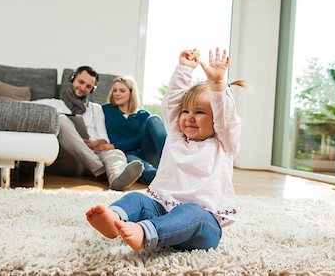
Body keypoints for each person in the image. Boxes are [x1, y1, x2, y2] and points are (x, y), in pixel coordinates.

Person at [86, 47, 246, 251]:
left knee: (191, 212)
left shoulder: (223, 142)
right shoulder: (177, 136)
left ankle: (146, 232)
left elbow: (227, 117)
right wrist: (184, 69)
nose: (188, 116)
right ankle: (114, 217)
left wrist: (217, 85)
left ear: (216, 120)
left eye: (199, 112)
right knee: (138, 198)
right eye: (186, 111)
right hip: (163, 211)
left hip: (202, 226)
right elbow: (173, 101)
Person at [54, 66, 144, 190]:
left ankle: (117, 179)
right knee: (62, 120)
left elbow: (104, 139)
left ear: (92, 90)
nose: (83, 88)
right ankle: (102, 170)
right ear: (72, 79)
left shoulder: (96, 108)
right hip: (73, 156)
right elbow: (24, 107)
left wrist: (97, 142)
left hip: (96, 151)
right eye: (81, 82)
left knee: (116, 153)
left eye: (88, 86)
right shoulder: (54, 104)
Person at [102, 76, 166, 185]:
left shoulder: (143, 114)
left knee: (154, 119)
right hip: (126, 154)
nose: (117, 93)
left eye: (122, 91)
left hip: (147, 151)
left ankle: (171, 158)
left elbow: (139, 139)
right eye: (115, 90)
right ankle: (165, 179)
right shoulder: (105, 110)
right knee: (146, 170)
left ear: (131, 93)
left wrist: (114, 145)